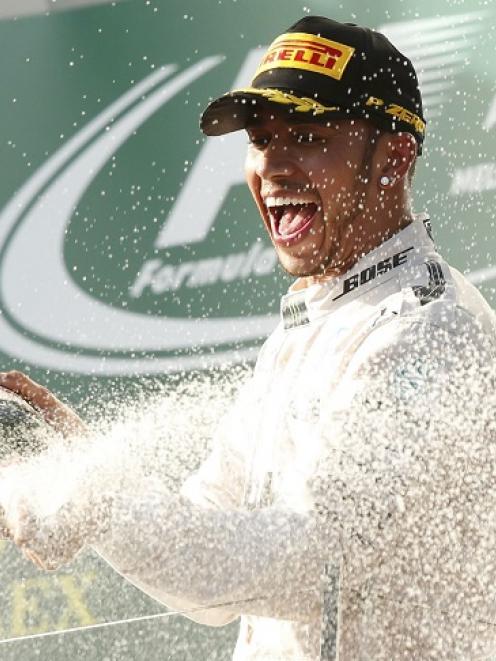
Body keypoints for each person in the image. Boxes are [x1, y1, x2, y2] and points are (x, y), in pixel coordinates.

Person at [0, 16, 495, 660]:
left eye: (309, 137)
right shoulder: (306, 328)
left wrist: (101, 506)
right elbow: (212, 570)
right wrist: (94, 472)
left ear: (394, 156)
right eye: (261, 140)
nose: (275, 166)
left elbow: (302, 561)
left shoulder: (429, 328)